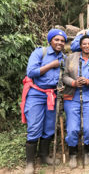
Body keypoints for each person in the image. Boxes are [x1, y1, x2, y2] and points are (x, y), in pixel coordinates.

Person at [22, 29, 67, 174]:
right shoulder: (40, 52)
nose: (59, 43)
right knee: (34, 126)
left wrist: (61, 86)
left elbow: (64, 76)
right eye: (57, 39)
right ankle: (29, 163)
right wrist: (51, 65)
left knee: (49, 127)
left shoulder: (64, 58)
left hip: (53, 95)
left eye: (62, 40)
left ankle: (44, 156)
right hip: (36, 94)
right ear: (50, 40)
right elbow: (31, 72)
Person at [63, 35, 89, 168]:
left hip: (88, 97)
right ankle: (73, 154)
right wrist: (74, 82)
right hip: (72, 97)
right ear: (80, 45)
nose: (87, 46)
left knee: (88, 128)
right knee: (72, 128)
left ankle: (86, 152)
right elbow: (64, 76)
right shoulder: (71, 58)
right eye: (84, 44)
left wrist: (88, 82)